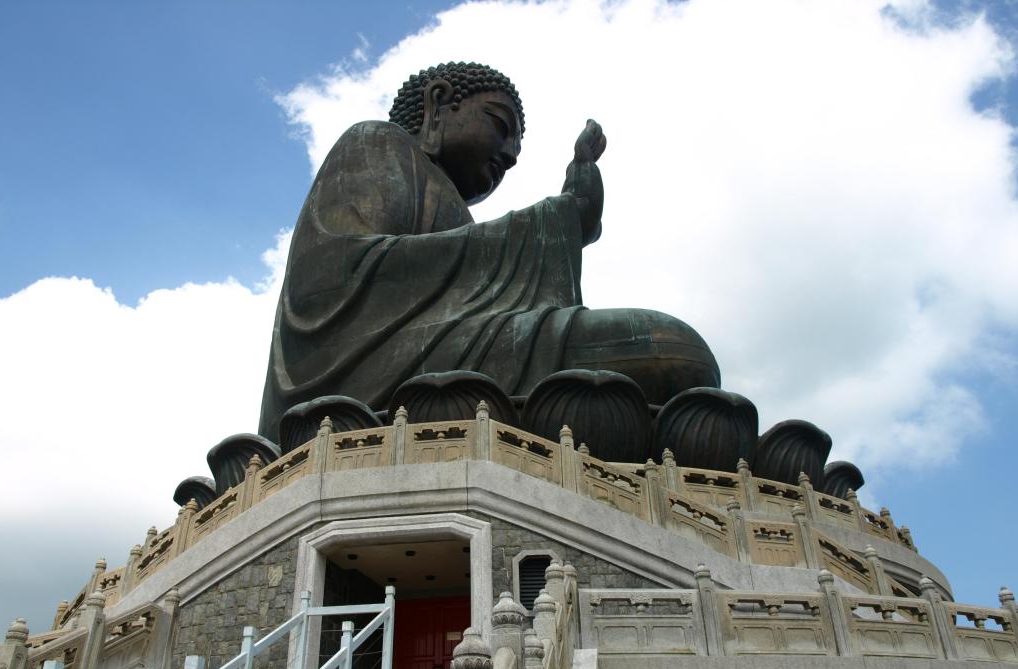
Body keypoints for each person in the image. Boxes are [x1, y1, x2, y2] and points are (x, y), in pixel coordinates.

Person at [259, 62, 719, 442]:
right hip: (359, 385)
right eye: (501, 126)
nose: (513, 153)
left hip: (466, 350)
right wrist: (551, 221)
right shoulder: (376, 144)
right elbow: (331, 284)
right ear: (438, 103)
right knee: (670, 348)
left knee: (676, 354)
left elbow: (478, 301)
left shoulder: (454, 208)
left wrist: (562, 219)